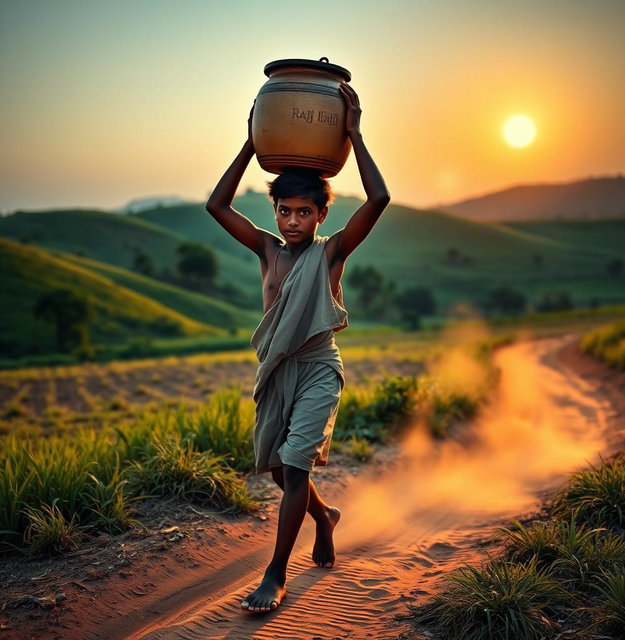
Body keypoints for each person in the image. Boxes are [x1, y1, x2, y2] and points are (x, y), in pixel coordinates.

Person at [205, 83, 390, 612]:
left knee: (296, 468)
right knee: (282, 471)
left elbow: (379, 199)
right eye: (284, 211)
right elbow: (216, 204)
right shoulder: (266, 248)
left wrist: (353, 135)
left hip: (316, 371)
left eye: (303, 213)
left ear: (320, 216)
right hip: (275, 372)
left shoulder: (331, 256)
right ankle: (325, 515)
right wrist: (250, 144)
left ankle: (276, 574)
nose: (291, 222)